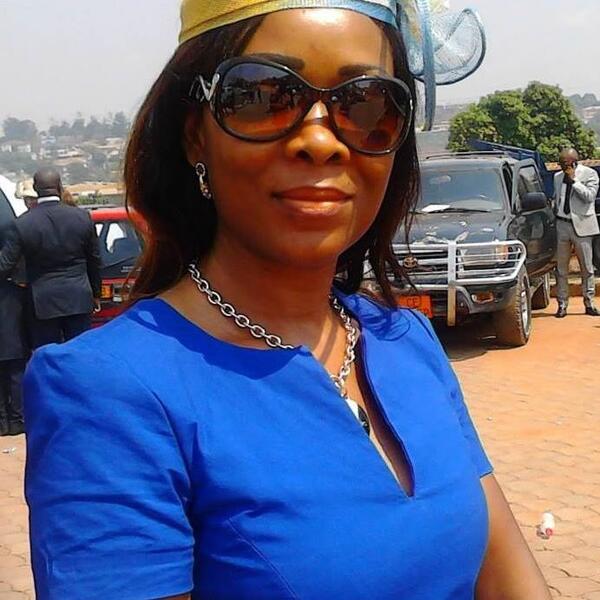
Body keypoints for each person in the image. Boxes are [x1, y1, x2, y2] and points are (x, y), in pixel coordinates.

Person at [23, 2, 551, 599]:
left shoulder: (406, 342)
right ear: (195, 134)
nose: (321, 141)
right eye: (263, 96)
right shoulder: (109, 391)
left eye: (366, 103)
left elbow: (511, 580)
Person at [0, 168, 102, 348]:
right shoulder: (82, 217)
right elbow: (94, 260)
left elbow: (5, 265)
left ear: (36, 189)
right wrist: (96, 293)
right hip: (79, 298)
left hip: (42, 303)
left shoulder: (22, 224)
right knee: (80, 352)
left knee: (47, 354)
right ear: (60, 187)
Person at [554, 148, 600, 318]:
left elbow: (589, 197)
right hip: (562, 224)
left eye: (565, 163)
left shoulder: (590, 174)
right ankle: (562, 304)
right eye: (560, 163)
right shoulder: (557, 177)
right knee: (561, 269)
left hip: (583, 225)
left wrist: (574, 180)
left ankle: (589, 303)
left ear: (574, 162)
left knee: (587, 268)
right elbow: (557, 198)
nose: (562, 166)